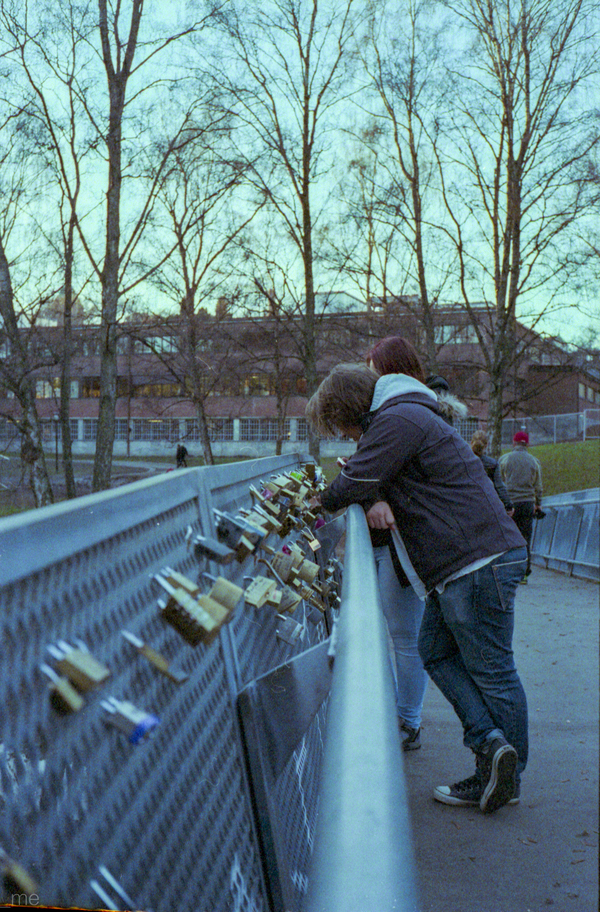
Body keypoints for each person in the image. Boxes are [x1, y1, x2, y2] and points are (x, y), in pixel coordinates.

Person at [305, 362, 529, 814]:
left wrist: (315, 503)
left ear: (350, 409)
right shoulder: (403, 416)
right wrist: (368, 491)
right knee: (435, 652)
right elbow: (370, 477)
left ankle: (505, 776)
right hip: (467, 562)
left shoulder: (396, 419)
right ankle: (491, 746)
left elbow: (357, 478)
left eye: (341, 424)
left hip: (476, 561)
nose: (346, 435)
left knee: (493, 671)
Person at [364, 336, 430, 751]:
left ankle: (406, 721)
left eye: (372, 368)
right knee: (401, 635)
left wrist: (362, 489)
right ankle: (402, 717)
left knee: (405, 636)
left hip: (401, 543)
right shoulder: (406, 413)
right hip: (393, 543)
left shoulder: (396, 417)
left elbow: (380, 473)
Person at [498, 431, 543, 583]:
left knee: (509, 539)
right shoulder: (534, 461)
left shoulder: (505, 459)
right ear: (528, 444)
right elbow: (538, 486)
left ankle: (509, 571)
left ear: (514, 443)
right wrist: (538, 504)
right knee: (525, 538)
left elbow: (500, 481)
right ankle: (524, 573)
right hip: (527, 503)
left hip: (511, 504)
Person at [470, 430, 514, 515]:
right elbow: (499, 486)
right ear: (486, 446)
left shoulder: (463, 461)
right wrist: (508, 505)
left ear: (471, 443)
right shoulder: (492, 464)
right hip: (486, 505)